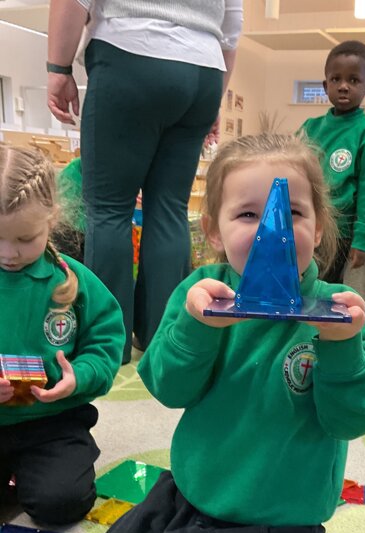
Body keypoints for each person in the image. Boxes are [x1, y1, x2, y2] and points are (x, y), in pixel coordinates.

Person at [62, 133, 365, 533]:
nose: (271, 230)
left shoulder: (341, 315)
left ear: (319, 227)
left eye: (293, 213)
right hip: (187, 496)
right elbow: (167, 387)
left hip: (271, 524)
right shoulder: (200, 294)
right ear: (213, 231)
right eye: (246, 214)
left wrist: (341, 347)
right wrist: (198, 328)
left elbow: (355, 417)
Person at [47, 0, 244, 364]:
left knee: (108, 210)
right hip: (204, 70)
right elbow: (232, 26)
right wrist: (215, 96)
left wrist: (58, 68)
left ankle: (108, 345)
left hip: (130, 52)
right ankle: (161, 337)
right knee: (170, 210)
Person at [0, 145, 125, 525]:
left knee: (63, 502)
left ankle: (32, 473)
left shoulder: (74, 281)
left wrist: (78, 377)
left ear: (51, 218)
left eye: (25, 238)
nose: (9, 253)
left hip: (53, 422)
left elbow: (104, 344)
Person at [300, 40, 365, 282]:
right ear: (325, 85)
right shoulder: (309, 128)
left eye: (354, 80)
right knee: (288, 285)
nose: (344, 86)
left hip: (336, 234)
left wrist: (362, 239)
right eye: (336, 79)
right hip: (300, 223)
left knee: (318, 290)